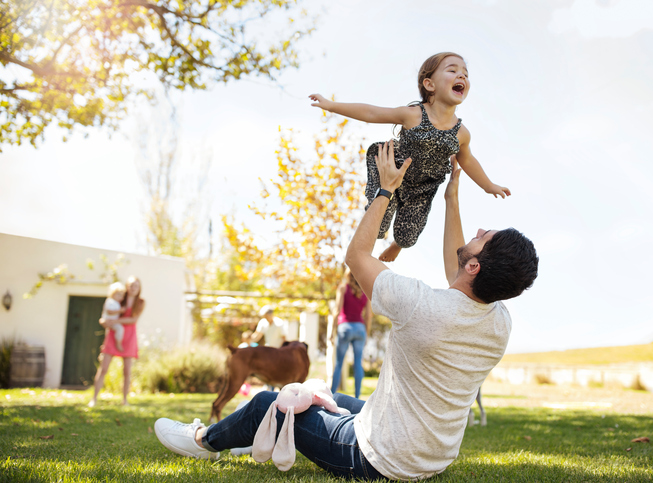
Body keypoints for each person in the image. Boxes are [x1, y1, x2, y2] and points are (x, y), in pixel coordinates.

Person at [154, 141, 538, 480]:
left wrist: (386, 188)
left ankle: (203, 439)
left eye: (485, 237)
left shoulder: (421, 304)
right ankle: (260, 434)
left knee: (269, 402)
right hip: (432, 458)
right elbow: (459, 272)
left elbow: (356, 257)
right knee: (330, 396)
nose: (481, 229)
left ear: (475, 267)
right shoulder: (499, 321)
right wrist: (451, 197)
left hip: (375, 460)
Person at [309, 52, 510, 262]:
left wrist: (488, 185)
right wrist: (331, 105)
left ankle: (397, 245)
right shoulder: (414, 114)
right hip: (392, 171)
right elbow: (372, 113)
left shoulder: (461, 134)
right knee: (378, 226)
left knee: (408, 237)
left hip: (422, 188)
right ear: (429, 84)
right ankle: (369, 241)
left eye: (465, 74)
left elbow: (467, 160)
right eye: (452, 70)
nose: (462, 76)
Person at [88, 276, 145, 407]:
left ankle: (124, 400)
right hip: (113, 335)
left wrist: (115, 321)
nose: (133, 288)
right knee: (103, 368)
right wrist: (104, 321)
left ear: (139, 288)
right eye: (131, 285)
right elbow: (106, 312)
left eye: (136, 286)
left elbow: (133, 320)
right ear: (127, 286)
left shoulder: (140, 302)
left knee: (127, 371)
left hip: (129, 336)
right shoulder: (119, 298)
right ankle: (94, 399)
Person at [329, 268, 372, 399]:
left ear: (348, 276)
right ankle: (357, 397)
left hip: (345, 327)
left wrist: (332, 332)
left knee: (339, 363)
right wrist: (367, 333)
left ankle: (331, 396)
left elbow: (337, 311)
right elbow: (369, 316)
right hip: (360, 329)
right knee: (358, 363)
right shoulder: (366, 292)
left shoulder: (343, 288)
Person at [102, 282, 127, 352]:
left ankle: (117, 342)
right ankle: (118, 343)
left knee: (119, 329)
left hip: (113, 321)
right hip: (109, 321)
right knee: (120, 329)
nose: (121, 297)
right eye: (119, 295)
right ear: (113, 294)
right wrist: (120, 311)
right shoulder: (110, 301)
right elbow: (110, 311)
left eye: (122, 296)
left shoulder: (116, 302)